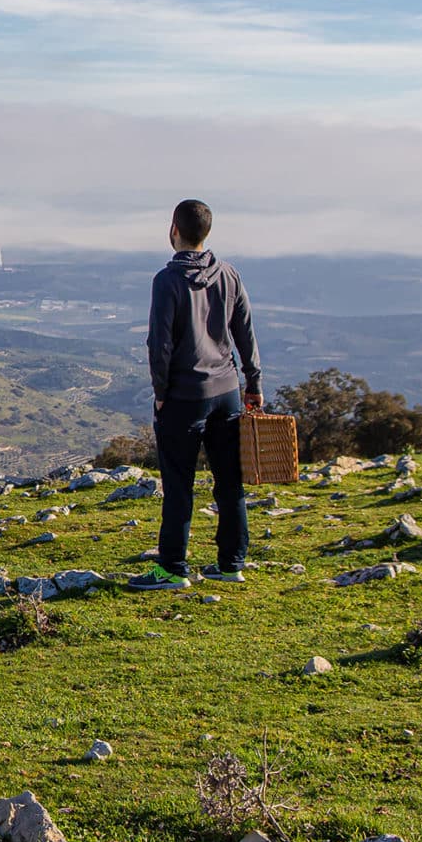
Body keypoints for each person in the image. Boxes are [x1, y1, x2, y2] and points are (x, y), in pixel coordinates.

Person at [130, 199, 262, 592]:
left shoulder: (166, 281)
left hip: (185, 397)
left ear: (174, 229)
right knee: (229, 481)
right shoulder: (229, 274)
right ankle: (231, 562)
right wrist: (253, 383)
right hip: (228, 392)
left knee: (179, 484)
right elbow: (246, 332)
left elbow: (160, 345)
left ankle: (172, 569)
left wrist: (160, 393)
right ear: (207, 232)